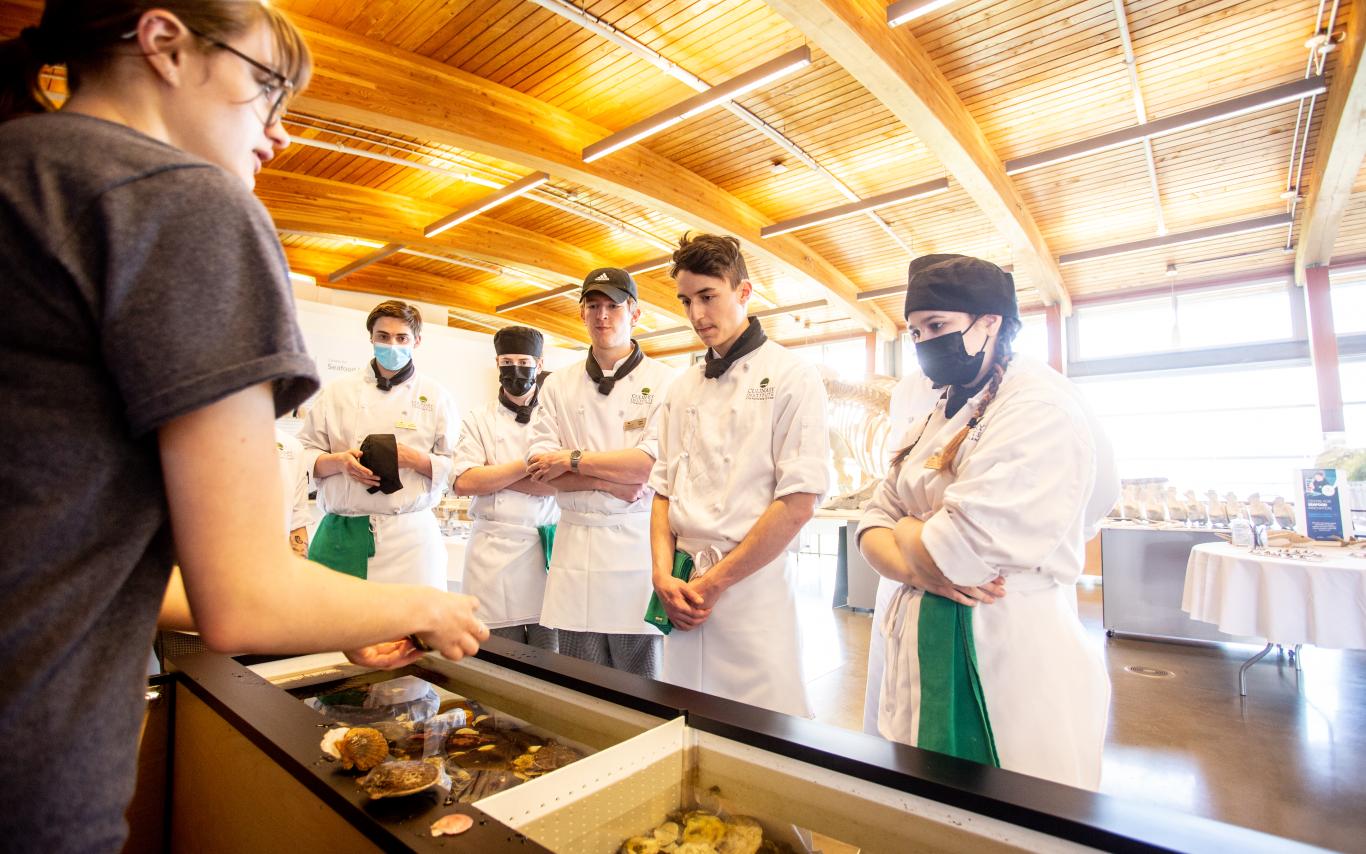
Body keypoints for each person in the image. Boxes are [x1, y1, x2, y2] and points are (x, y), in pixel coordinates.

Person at [0, 6, 486, 850]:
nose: (280, 135)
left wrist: (352, 612)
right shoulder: (181, 203)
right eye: (268, 89)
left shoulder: (23, 171)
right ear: (164, 44)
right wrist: (425, 608)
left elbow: (61, 557)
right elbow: (244, 598)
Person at [856, 254, 1117, 790]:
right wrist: (913, 550)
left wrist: (909, 533)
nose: (926, 342)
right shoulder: (946, 406)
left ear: (991, 322)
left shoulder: (1038, 406)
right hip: (924, 629)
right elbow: (872, 519)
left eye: (939, 327)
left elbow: (958, 551)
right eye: (916, 330)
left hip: (1003, 636)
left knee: (1001, 808)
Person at [647, 234, 830, 717]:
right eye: (687, 301)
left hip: (751, 590)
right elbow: (663, 491)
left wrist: (713, 584)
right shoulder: (682, 385)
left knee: (764, 731)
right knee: (686, 724)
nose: (696, 315)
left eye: (709, 296)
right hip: (683, 589)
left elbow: (798, 503)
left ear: (743, 292)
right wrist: (663, 575)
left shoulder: (793, 375)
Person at [526, 268, 675, 677]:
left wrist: (571, 460)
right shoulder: (557, 384)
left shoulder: (664, 382)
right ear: (581, 313)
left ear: (636, 313)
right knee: (580, 679)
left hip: (635, 546)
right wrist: (608, 477)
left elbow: (646, 465)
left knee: (640, 680)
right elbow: (540, 467)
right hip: (575, 546)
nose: (603, 315)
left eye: (613, 306)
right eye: (594, 306)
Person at [298, 299, 458, 589]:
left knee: (413, 630)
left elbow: (456, 467)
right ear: (371, 337)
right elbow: (304, 455)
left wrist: (414, 459)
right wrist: (339, 462)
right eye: (383, 336)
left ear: (417, 341)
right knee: (338, 626)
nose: (392, 345)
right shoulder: (337, 392)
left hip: (411, 538)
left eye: (402, 338)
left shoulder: (436, 396)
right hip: (344, 530)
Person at [451, 326, 560, 649]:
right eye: (508, 361)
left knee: (550, 655)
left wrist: (494, 476)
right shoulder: (478, 418)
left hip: (545, 549)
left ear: (539, 365)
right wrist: (526, 467)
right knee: (497, 652)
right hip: (491, 553)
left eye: (524, 361)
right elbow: (464, 482)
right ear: (497, 363)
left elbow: (556, 486)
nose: (516, 369)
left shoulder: (555, 416)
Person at [863, 365, 939, 735]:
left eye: (938, 324)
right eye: (917, 329)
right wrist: (909, 530)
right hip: (897, 581)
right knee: (889, 725)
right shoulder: (908, 391)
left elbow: (961, 535)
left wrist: (904, 526)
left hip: (975, 600)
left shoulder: (1031, 397)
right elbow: (878, 514)